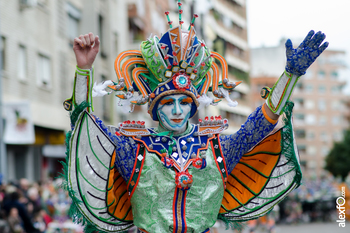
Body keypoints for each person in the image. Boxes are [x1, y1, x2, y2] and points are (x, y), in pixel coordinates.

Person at [62, 4, 328, 232]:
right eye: (168, 103)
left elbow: (262, 123)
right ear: (154, 109)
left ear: (192, 107)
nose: (177, 110)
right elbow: (83, 121)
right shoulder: (134, 148)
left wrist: (290, 76)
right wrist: (84, 70)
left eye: (184, 103)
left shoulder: (216, 148)